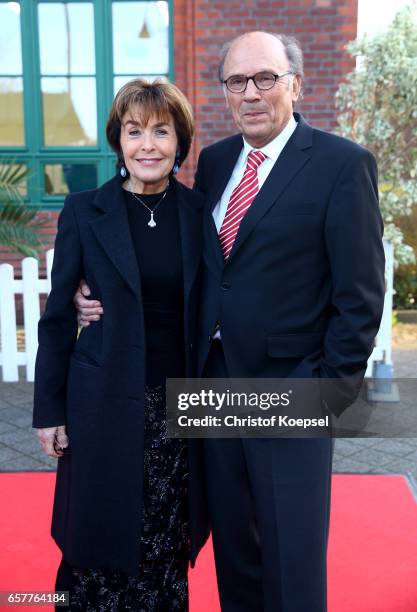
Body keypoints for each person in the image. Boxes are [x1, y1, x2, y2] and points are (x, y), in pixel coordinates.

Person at [75, 32, 385, 611]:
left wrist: (327, 393)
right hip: (211, 389)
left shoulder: (342, 166)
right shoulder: (216, 163)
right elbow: (182, 257)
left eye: (264, 78)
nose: (250, 93)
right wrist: (87, 293)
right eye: (236, 82)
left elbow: (361, 296)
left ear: (295, 83)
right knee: (234, 553)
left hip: (291, 390)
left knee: (291, 559)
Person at [33, 78, 209, 611]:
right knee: (98, 536)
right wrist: (49, 411)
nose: (148, 145)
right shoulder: (85, 210)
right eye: (135, 132)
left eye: (161, 131)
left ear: (180, 141)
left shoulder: (199, 213)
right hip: (102, 399)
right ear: (118, 140)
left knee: (164, 536)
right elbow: (59, 315)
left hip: (177, 408)